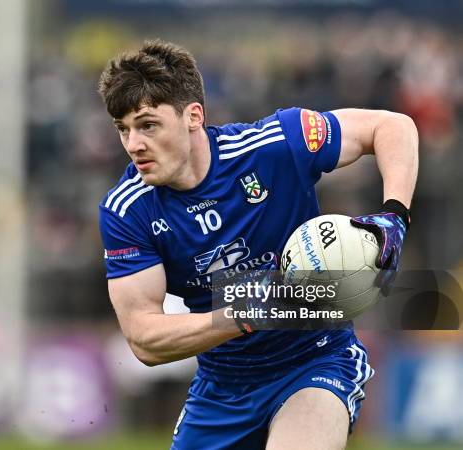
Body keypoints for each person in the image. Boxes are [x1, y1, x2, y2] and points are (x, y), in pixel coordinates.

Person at [97, 40, 417, 450]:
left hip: (316, 360)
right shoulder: (127, 210)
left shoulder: (274, 145)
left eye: (148, 124)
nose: (133, 144)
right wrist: (248, 313)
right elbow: (144, 338)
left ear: (193, 116)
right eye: (123, 129)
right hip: (222, 387)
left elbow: (392, 127)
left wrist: (394, 216)